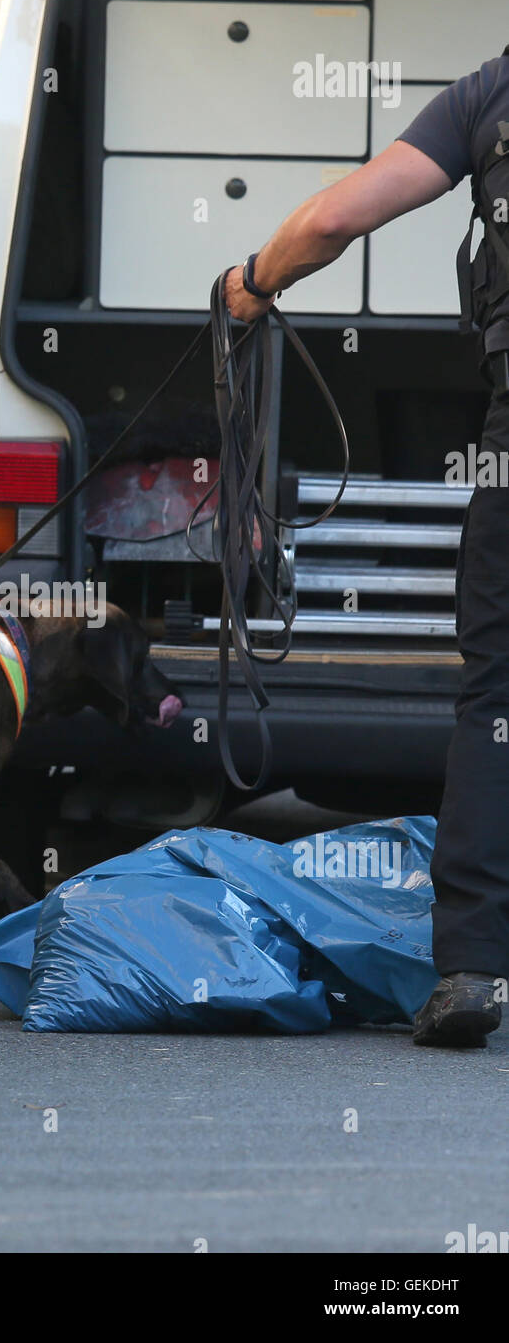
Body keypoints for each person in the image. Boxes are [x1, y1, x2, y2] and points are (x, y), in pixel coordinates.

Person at [225, 54, 509, 1048]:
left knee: (496, 704)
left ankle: (471, 968)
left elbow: (335, 219)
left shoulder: (491, 96)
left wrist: (252, 283)